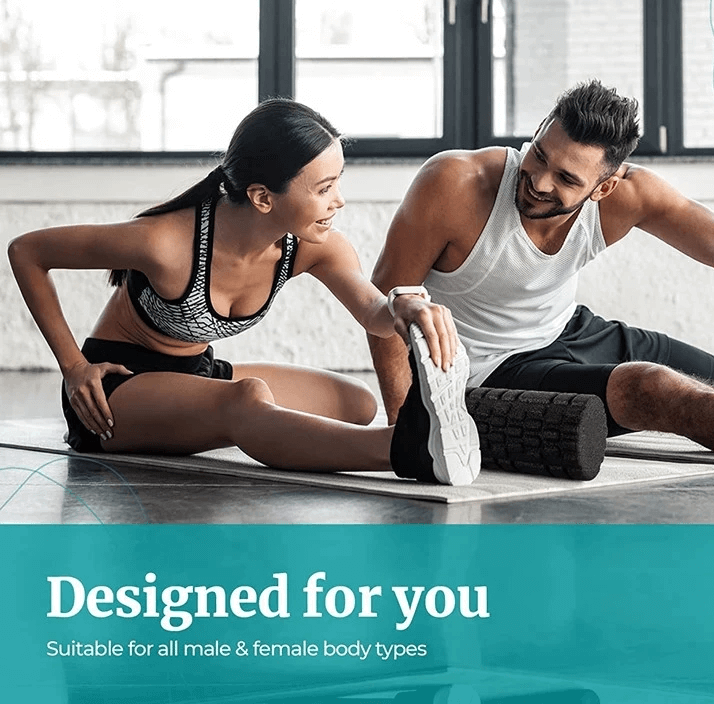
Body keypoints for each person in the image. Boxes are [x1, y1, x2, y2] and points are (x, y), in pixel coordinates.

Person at [7, 99, 480, 485]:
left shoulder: (314, 248)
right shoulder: (166, 242)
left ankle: (253, 425)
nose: (339, 201)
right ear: (262, 197)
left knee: (357, 404)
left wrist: (406, 304)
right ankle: (404, 451)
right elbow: (27, 252)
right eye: (325, 188)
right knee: (247, 398)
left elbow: (374, 313)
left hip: (197, 373)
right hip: (115, 394)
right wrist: (73, 366)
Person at [368, 79, 714, 457]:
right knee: (651, 390)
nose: (539, 181)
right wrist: (403, 427)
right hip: (486, 367)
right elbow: (385, 298)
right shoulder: (454, 183)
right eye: (539, 155)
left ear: (605, 187)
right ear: (537, 133)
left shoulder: (630, 196)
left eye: (567, 179)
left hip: (570, 330)